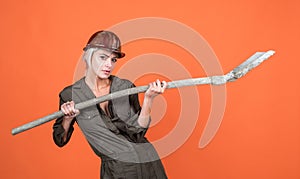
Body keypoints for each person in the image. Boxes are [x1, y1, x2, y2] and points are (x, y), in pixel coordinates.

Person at [52, 30, 168, 179]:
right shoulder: (71, 95)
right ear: (89, 56)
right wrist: (67, 118)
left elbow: (138, 133)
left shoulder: (125, 87)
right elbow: (59, 140)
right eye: (103, 57)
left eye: (113, 60)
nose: (109, 64)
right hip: (115, 171)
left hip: (147, 164)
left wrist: (148, 100)